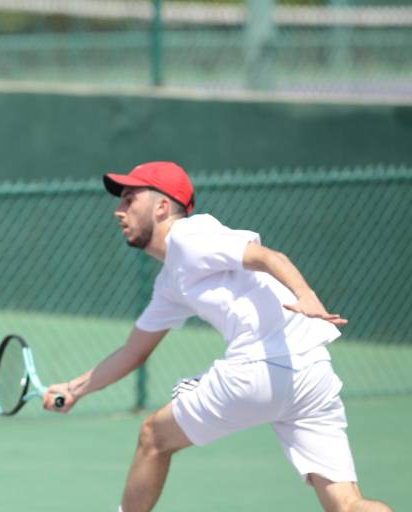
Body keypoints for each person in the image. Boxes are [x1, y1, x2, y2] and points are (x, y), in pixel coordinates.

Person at [43, 162, 391, 512]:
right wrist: (73, 390)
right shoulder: (170, 283)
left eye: (130, 200)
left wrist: (307, 297)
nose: (119, 211)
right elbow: (132, 352)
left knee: (153, 437)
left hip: (258, 366)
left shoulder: (190, 236)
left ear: (162, 207)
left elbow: (267, 257)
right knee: (347, 503)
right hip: (313, 371)